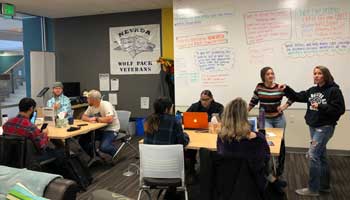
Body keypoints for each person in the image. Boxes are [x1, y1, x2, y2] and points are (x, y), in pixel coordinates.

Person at [280, 66, 345, 196]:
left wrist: (321, 106)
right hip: (313, 126)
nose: (316, 75)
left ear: (325, 75)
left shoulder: (334, 91)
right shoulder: (312, 90)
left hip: (325, 127)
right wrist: (286, 89)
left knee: (313, 155)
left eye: (319, 73)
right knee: (321, 156)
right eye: (314, 73)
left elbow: (340, 109)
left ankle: (313, 189)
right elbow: (297, 96)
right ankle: (324, 186)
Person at [217, 97, 270, 196]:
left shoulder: (222, 138)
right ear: (245, 116)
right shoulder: (259, 139)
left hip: (227, 185)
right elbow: (266, 159)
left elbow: (221, 154)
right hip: (253, 186)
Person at [249, 66, 293, 177]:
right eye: (268, 74)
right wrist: (244, 113)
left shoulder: (279, 87)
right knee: (267, 143)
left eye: (272, 73)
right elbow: (253, 101)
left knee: (280, 142)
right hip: (264, 118)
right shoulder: (259, 87)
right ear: (263, 76)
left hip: (278, 118)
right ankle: (267, 168)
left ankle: (279, 168)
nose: (270, 76)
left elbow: (292, 97)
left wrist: (284, 107)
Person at [144, 97, 189, 200]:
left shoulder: (148, 119)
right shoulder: (174, 121)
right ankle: (173, 192)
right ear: (166, 109)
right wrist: (186, 135)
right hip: (171, 168)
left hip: (150, 168)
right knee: (186, 159)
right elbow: (182, 142)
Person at [3, 97, 63, 163]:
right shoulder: (30, 127)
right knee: (61, 151)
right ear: (31, 108)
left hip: (11, 158)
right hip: (30, 159)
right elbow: (42, 147)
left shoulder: (7, 124)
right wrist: (45, 134)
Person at [80, 90, 120, 160]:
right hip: (99, 129)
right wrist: (90, 119)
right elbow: (83, 117)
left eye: (88, 98)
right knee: (82, 141)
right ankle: (96, 157)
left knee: (104, 147)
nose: (87, 100)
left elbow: (110, 119)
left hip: (111, 129)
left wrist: (96, 119)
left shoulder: (105, 104)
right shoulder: (91, 106)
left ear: (93, 99)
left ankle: (116, 155)